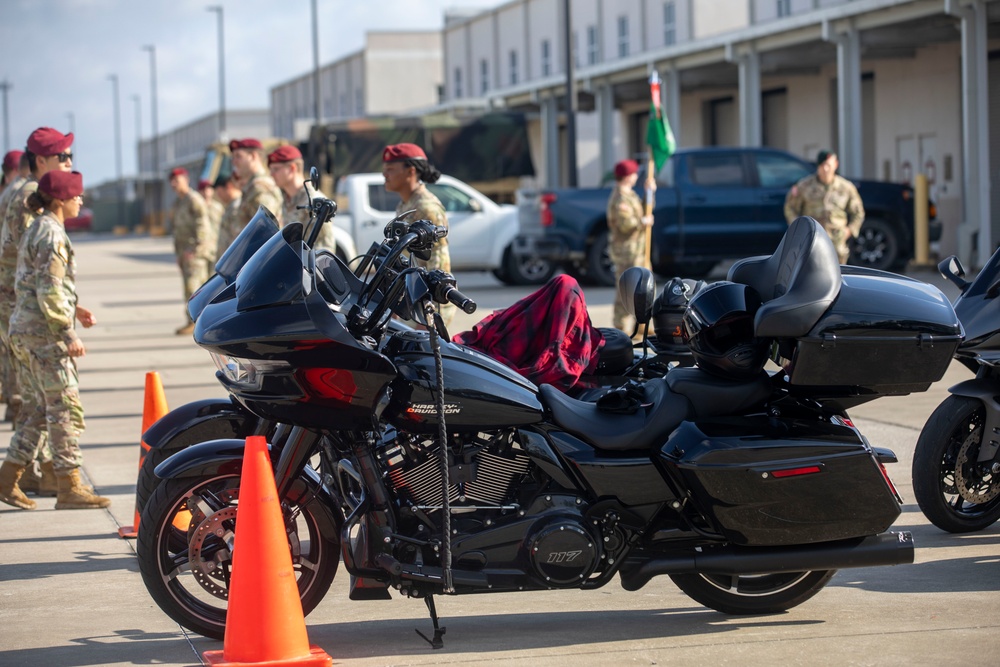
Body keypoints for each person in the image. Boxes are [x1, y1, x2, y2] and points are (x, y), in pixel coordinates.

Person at [0, 170, 107, 510]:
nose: (81, 201)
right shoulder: (51, 235)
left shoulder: (39, 228)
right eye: (77, 196)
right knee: (64, 409)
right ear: (60, 200)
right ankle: (69, 486)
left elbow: (36, 283)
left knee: (37, 410)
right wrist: (67, 332)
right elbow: (48, 291)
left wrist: (74, 307)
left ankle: (8, 477)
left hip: (27, 331)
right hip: (44, 336)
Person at [0, 127, 75, 495]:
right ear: (42, 161)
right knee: (49, 398)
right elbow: (41, 269)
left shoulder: (18, 192)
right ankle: (44, 472)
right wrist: (63, 321)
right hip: (30, 312)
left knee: (37, 398)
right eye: (62, 158)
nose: (68, 164)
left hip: (19, 307)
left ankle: (39, 470)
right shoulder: (33, 197)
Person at [382, 143, 455, 325]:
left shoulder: (426, 208)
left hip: (425, 306)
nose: (385, 174)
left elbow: (439, 263)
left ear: (410, 172)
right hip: (410, 301)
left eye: (390, 169)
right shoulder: (405, 205)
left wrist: (429, 318)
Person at [783, 149, 865, 264]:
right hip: (812, 241)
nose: (825, 169)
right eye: (822, 165)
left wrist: (849, 230)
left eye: (828, 165)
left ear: (836, 165)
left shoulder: (846, 187)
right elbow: (790, 208)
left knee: (838, 276)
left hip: (837, 242)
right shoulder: (804, 186)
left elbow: (858, 212)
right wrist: (800, 229)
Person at [606, 159, 653, 334]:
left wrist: (649, 193)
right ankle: (620, 326)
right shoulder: (620, 198)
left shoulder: (630, 194)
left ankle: (642, 324)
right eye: (633, 174)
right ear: (627, 177)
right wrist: (643, 221)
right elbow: (625, 224)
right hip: (627, 251)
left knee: (643, 288)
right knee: (626, 289)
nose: (636, 177)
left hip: (638, 249)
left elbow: (644, 209)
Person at [267, 145, 337, 254]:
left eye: (276, 169)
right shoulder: (286, 199)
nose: (271, 174)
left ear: (292, 168)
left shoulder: (314, 202)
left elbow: (324, 249)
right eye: (271, 170)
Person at [168, 168, 212, 335]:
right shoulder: (178, 203)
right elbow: (177, 230)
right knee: (189, 287)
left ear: (186, 180)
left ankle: (196, 322)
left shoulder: (194, 200)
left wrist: (195, 249)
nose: (173, 184)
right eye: (172, 181)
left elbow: (203, 225)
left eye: (177, 180)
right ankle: (194, 321)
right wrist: (179, 254)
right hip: (184, 253)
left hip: (195, 253)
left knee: (194, 288)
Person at [228, 138, 282, 237]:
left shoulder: (261, 187)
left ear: (253, 156)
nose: (234, 162)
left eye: (238, 156)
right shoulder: (251, 187)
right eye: (233, 157)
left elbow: (268, 230)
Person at [213, 172, 243, 258]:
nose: (219, 196)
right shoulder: (231, 206)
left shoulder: (237, 207)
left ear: (229, 186)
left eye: (219, 192)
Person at [198, 178, 224, 265]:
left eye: (209, 189)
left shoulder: (218, 208)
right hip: (201, 250)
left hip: (216, 248)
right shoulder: (196, 208)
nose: (206, 192)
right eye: (203, 189)